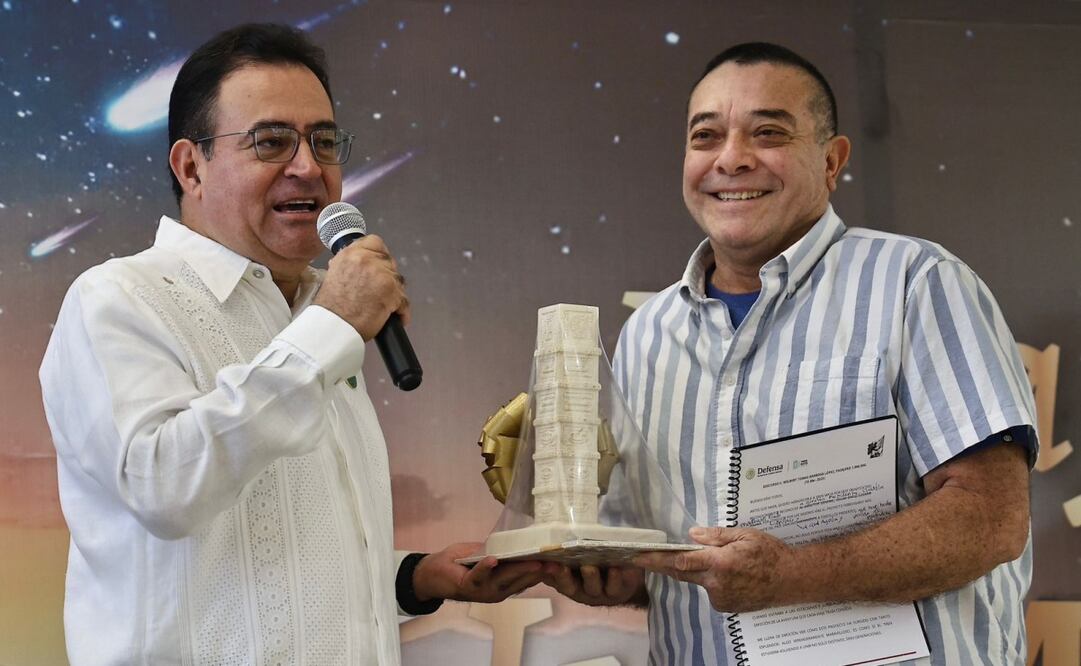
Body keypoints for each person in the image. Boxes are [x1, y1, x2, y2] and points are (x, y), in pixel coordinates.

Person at [39, 23, 540, 665]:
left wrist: (415, 578)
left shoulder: (313, 313)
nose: (308, 167)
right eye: (271, 141)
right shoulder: (118, 298)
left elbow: (264, 566)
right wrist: (329, 328)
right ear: (191, 166)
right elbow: (164, 486)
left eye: (323, 142)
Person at [540, 42, 1038, 665]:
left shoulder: (916, 282)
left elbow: (990, 520)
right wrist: (625, 573)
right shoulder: (645, 334)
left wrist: (792, 575)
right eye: (706, 136)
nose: (732, 159)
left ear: (832, 161)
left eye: (768, 132)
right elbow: (673, 557)